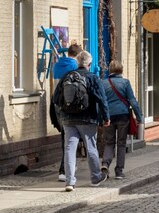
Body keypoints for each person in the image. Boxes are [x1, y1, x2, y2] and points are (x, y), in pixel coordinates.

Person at [52, 51, 110, 191]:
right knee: (91, 147)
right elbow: (101, 99)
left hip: (68, 119)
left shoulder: (68, 76)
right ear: (89, 64)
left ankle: (70, 181)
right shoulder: (92, 77)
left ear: (77, 62)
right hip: (88, 118)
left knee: (69, 149)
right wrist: (106, 117)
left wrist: (63, 114)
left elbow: (55, 99)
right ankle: (95, 177)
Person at [101, 60, 142, 180]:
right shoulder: (125, 83)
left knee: (109, 142)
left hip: (109, 117)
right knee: (121, 143)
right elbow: (132, 101)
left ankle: (105, 164)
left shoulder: (103, 83)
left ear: (110, 70)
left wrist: (101, 118)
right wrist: (139, 117)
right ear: (121, 70)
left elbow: (101, 102)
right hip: (123, 116)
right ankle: (119, 171)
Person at [50, 43, 81, 183]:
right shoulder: (74, 67)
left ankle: (69, 166)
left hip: (56, 103)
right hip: (70, 104)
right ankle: (65, 169)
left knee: (66, 136)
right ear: (78, 55)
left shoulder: (56, 65)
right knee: (70, 138)